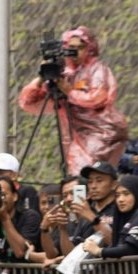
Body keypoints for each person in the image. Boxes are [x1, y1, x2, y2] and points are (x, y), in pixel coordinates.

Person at [18, 26, 128, 176]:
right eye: (71, 48)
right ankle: (79, 196)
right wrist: (42, 77)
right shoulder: (64, 75)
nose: (75, 52)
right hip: (76, 137)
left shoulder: (97, 69)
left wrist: (70, 92)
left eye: (80, 47)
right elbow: (28, 102)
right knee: (77, 176)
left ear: (89, 48)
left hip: (102, 133)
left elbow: (98, 98)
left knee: (89, 174)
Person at [70, 162, 119, 249]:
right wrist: (62, 229)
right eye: (90, 182)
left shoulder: (120, 208)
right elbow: (71, 251)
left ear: (114, 185)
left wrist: (92, 218)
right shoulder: (86, 210)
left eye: (99, 181)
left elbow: (117, 244)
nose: (93, 186)